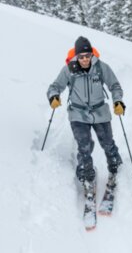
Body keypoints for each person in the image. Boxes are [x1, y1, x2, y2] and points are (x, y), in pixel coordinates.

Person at [47, 36, 125, 190]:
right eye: (81, 56)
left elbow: (115, 85)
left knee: (108, 142)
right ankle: (86, 175)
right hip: (78, 113)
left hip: (100, 111)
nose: (84, 59)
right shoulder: (69, 70)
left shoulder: (101, 67)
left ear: (91, 54)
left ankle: (115, 166)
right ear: (76, 56)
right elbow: (55, 86)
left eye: (87, 56)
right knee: (84, 146)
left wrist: (118, 101)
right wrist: (54, 97)